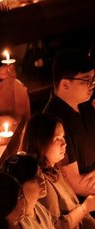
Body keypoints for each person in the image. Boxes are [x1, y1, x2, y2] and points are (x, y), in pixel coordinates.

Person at [21, 113, 95, 229]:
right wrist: (85, 208)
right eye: (57, 139)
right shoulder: (39, 184)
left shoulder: (55, 170)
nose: (65, 143)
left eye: (64, 138)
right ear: (41, 142)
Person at [43, 49, 95, 196]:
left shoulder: (86, 104)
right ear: (65, 84)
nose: (92, 85)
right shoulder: (54, 122)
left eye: (93, 79)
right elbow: (77, 186)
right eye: (86, 80)